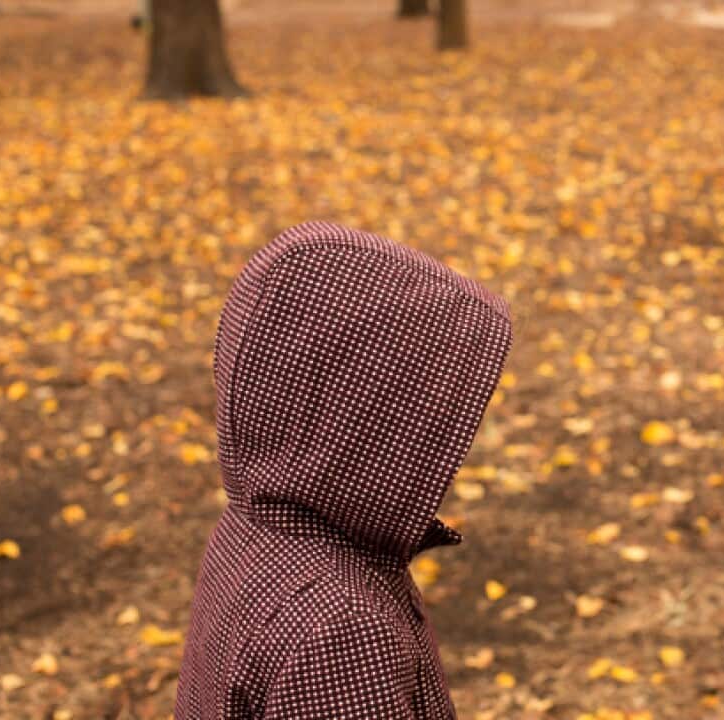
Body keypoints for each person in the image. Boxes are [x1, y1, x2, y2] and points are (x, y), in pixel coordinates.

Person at [174, 221, 513, 719]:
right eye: (432, 414)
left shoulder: (259, 527)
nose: (458, 441)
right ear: (368, 426)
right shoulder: (342, 627)